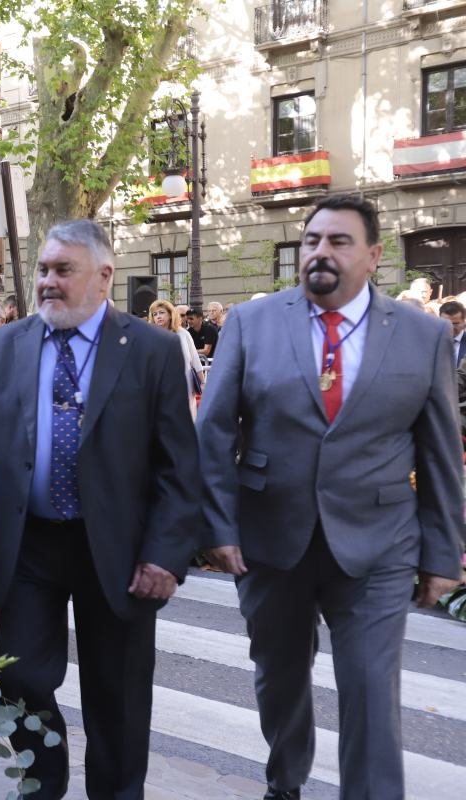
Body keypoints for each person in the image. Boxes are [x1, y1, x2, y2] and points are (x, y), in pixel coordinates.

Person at [0, 220, 200, 799]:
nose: (47, 281)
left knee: (116, 691)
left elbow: (178, 464)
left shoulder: (153, 350)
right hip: (29, 541)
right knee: (20, 677)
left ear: (104, 276)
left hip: (117, 548)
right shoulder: (1, 346)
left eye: (62, 270)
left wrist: (167, 554)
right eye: (43, 269)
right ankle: (41, 786)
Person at [198, 195, 465, 800]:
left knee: (372, 693)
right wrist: (217, 526)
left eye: (338, 241)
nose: (320, 251)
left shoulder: (422, 335)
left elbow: (441, 453)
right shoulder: (251, 322)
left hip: (378, 545)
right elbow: (213, 434)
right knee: (281, 680)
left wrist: (442, 554)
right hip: (271, 540)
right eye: (313, 239)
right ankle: (285, 782)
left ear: (373, 256)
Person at [150, 299, 205, 420]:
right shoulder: (151, 336)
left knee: (186, 420)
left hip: (184, 385)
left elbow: (195, 360)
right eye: (155, 314)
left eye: (161, 312)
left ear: (170, 314)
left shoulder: (183, 333)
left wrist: (202, 383)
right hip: (161, 387)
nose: (158, 316)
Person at [439, 299, 465, 367]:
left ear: (463, 322)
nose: (450, 328)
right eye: (445, 323)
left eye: (455, 323)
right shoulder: (432, 342)